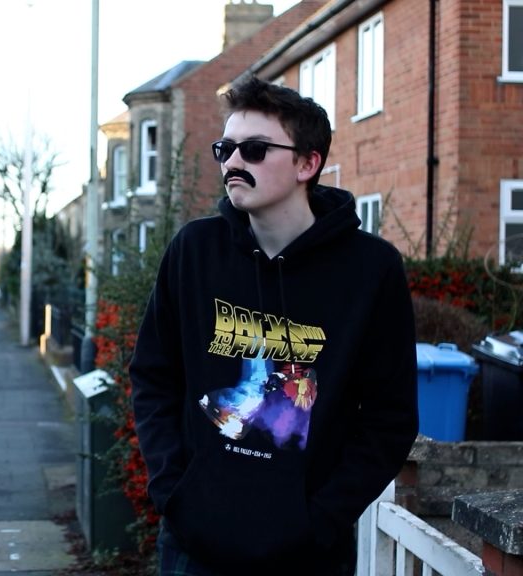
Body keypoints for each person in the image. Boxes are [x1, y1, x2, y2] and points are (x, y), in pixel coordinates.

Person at [129, 75, 418, 575]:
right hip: (194, 546)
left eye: (255, 149)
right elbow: (153, 376)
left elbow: (389, 418)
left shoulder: (370, 270)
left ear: (308, 163)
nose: (233, 163)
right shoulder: (194, 251)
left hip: (307, 555)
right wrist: (173, 492)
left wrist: (321, 519)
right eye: (226, 149)